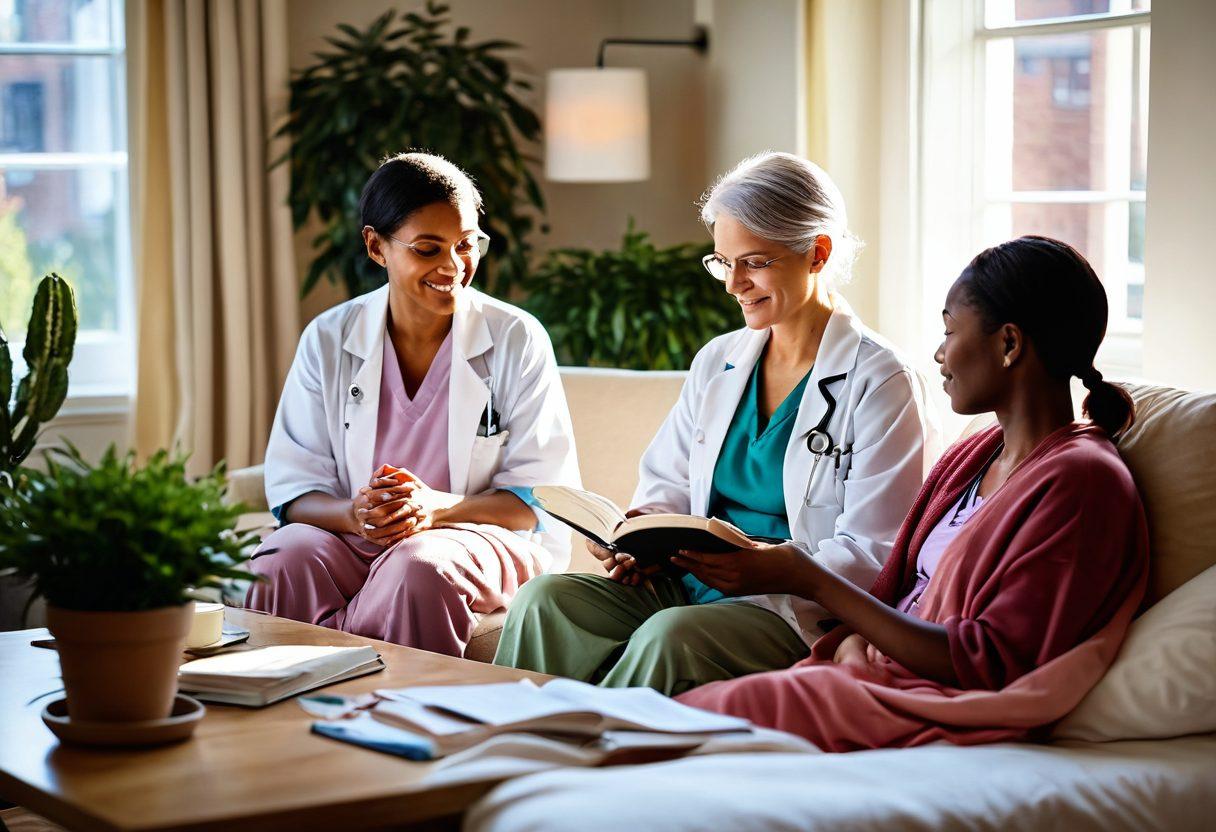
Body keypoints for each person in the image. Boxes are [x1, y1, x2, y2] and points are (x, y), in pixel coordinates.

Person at [675, 235, 1149, 750]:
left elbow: (989, 661)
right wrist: (856, 640)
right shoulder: (975, 455)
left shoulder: (1080, 482)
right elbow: (902, 594)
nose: (940, 354)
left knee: (690, 718)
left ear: (1009, 344)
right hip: (871, 671)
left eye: (950, 331)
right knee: (673, 719)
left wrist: (807, 576)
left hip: (927, 693)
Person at [494, 152, 939, 694]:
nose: (733, 284)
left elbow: (876, 551)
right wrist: (638, 541)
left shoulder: (881, 381)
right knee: (546, 600)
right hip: (687, 584)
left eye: (754, 262)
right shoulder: (719, 361)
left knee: (673, 635)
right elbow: (668, 485)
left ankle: (598, 766)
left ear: (816, 253)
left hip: (791, 608)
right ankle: (512, 742)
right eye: (722, 262)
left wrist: (766, 567)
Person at [246, 152, 580, 656]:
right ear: (376, 246)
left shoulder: (515, 337)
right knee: (282, 559)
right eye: (428, 249)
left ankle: (401, 712)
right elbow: (294, 491)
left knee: (418, 566)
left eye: (467, 245)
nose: (453, 266)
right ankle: (288, 717)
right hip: (353, 539)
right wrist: (354, 514)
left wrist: (437, 508)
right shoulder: (330, 338)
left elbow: (538, 500)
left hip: (476, 537)